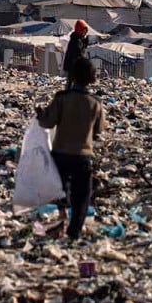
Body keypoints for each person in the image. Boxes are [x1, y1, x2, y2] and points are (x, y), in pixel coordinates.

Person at [35, 57, 106, 241]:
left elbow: (47, 123)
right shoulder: (95, 103)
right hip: (83, 157)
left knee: (60, 192)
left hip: (60, 155)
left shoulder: (62, 99)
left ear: (72, 76)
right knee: (81, 197)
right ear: (92, 78)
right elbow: (98, 131)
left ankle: (60, 222)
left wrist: (40, 114)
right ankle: (73, 233)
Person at [63, 20, 90, 87]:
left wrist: (85, 42)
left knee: (72, 83)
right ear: (79, 30)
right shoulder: (76, 40)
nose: (85, 33)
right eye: (83, 31)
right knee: (73, 83)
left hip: (74, 66)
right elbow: (79, 52)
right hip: (73, 66)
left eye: (85, 31)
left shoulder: (78, 39)